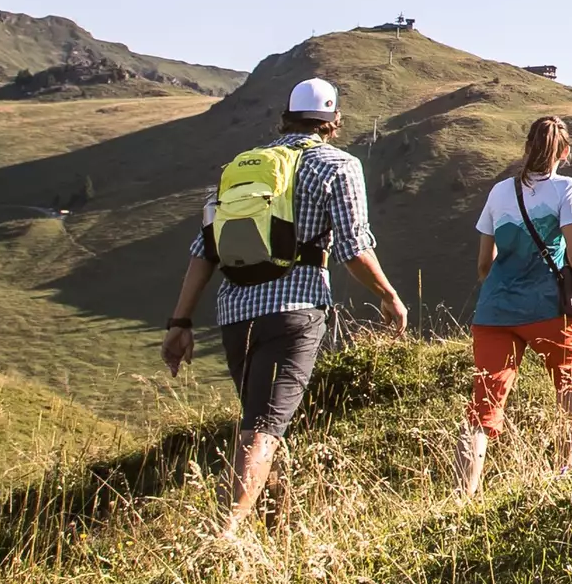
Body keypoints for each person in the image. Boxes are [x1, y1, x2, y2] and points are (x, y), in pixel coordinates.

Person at [162, 75, 410, 545]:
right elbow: (354, 249)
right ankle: (224, 537)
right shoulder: (338, 165)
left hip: (236, 313)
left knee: (263, 421)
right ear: (333, 121)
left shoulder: (242, 168)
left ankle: (276, 538)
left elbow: (205, 249)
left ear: (286, 118)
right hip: (295, 311)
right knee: (264, 426)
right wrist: (388, 296)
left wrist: (180, 322)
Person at [455, 113, 572, 491]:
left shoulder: (499, 192)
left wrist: (503, 286)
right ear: (564, 152)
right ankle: (564, 468)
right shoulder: (567, 189)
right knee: (570, 383)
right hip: (548, 309)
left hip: (494, 311)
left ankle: (461, 495)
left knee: (484, 406)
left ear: (528, 147)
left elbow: (484, 263)